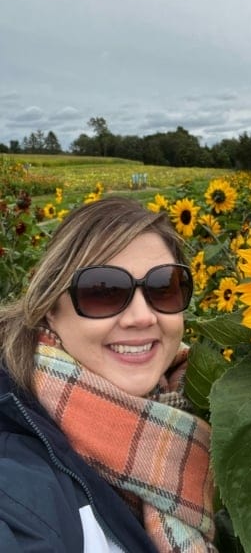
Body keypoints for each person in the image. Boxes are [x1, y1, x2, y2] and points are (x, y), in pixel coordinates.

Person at [0, 196, 217, 552]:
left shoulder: (196, 408)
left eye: (163, 287)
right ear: (50, 308)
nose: (142, 317)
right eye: (103, 291)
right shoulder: (19, 479)